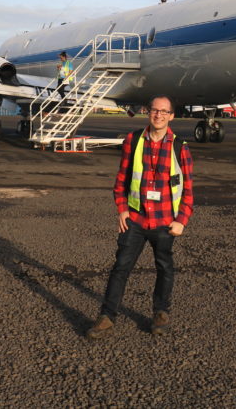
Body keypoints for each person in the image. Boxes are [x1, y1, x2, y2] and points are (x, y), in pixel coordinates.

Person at [86, 95, 194, 339]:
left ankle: (161, 313)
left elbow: (187, 188)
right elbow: (122, 177)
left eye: (164, 112)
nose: (159, 115)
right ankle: (106, 316)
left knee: (164, 267)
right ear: (148, 112)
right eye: (155, 111)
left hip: (165, 220)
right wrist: (122, 208)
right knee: (121, 266)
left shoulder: (180, 147)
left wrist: (182, 220)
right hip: (135, 218)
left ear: (171, 116)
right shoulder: (133, 140)